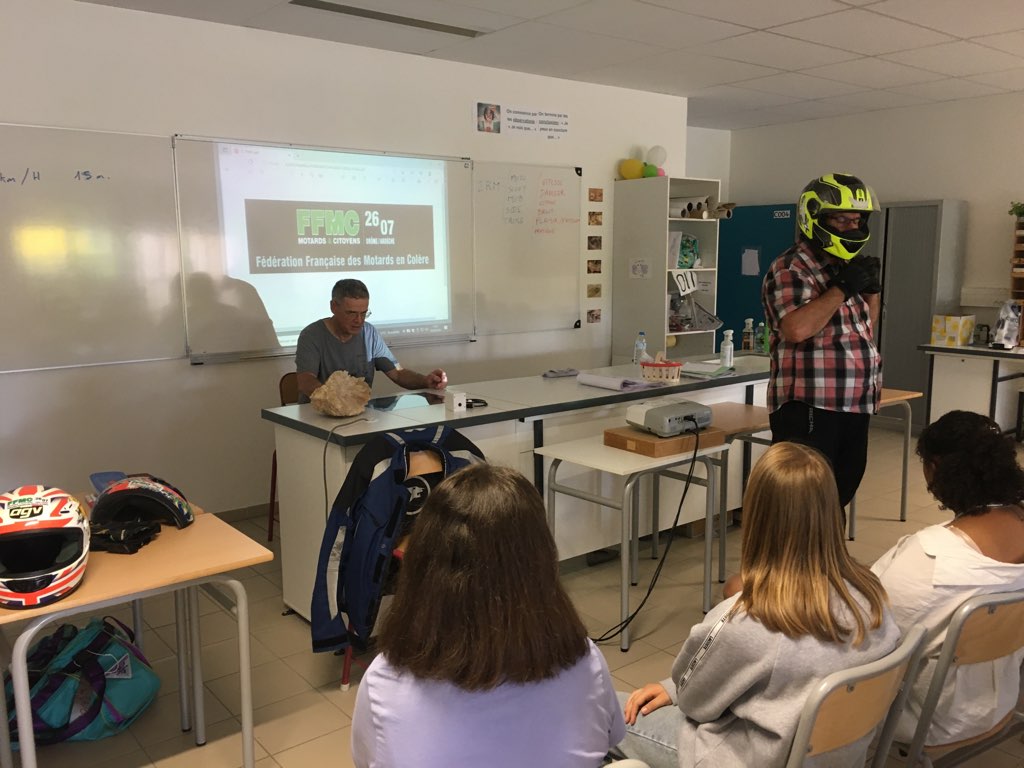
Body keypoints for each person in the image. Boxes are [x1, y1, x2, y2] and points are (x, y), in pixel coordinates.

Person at [616, 442, 899, 768]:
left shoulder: (746, 621)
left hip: (749, 759)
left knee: (608, 710)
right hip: (837, 757)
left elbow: (694, 703)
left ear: (757, 518)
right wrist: (672, 689)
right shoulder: (872, 596)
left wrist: (675, 687)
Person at [350, 464, 625, 767]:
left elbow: (366, 760)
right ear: (541, 560)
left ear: (422, 566)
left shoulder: (384, 682)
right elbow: (609, 738)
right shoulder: (584, 662)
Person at [872, 410, 1024, 746]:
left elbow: (871, 630)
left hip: (928, 718)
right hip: (1000, 701)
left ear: (934, 468)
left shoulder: (928, 559)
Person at [762, 173, 882, 508]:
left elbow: (862, 328)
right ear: (815, 218)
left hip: (854, 402)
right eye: (841, 219)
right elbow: (796, 329)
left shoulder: (842, 266)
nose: (851, 227)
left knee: (837, 497)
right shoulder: (792, 267)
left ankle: (827, 544)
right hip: (812, 404)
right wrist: (842, 289)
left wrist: (871, 291)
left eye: (856, 220)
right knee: (802, 503)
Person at [295, 278, 446, 402]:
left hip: (360, 414)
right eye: (351, 313)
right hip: (318, 415)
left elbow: (397, 373)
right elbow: (306, 381)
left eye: (364, 313)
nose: (359, 320)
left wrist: (425, 381)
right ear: (334, 307)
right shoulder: (311, 335)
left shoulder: (369, 333)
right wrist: (334, 399)